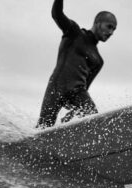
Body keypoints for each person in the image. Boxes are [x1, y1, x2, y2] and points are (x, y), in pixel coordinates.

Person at [36, 0, 117, 128]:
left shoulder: (98, 61)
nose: (111, 32)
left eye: (114, 29)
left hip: (77, 92)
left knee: (92, 117)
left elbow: (86, 87)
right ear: (97, 22)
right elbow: (56, 14)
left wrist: (74, 112)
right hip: (56, 88)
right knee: (43, 128)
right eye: (109, 26)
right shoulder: (74, 33)